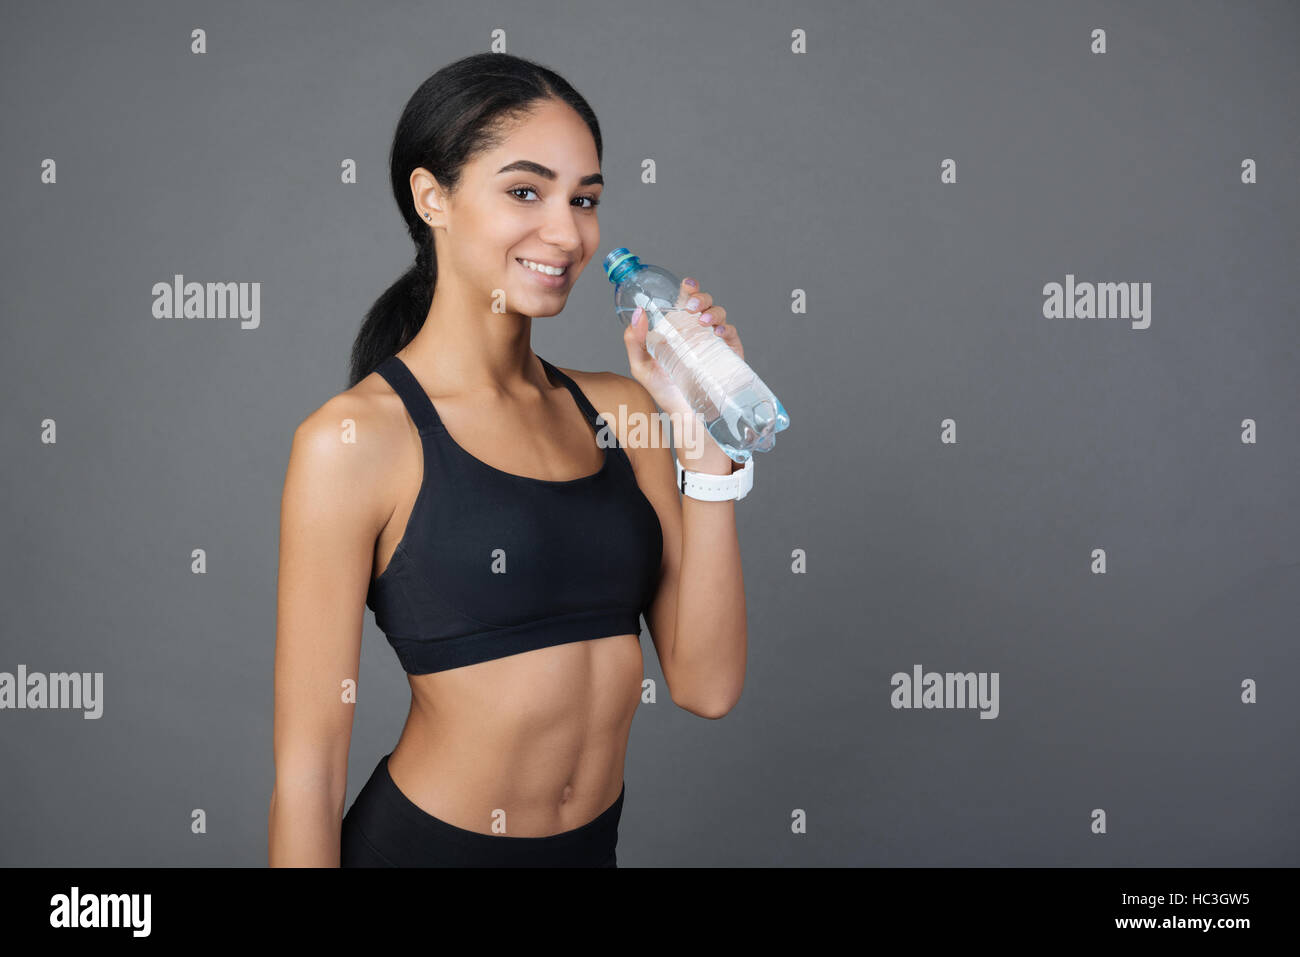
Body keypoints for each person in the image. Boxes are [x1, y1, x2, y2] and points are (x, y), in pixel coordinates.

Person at [268, 52, 751, 867]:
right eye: (525, 191)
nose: (566, 233)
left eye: (584, 199)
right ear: (434, 198)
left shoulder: (622, 411)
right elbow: (308, 772)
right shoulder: (353, 441)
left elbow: (707, 685)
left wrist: (702, 436)